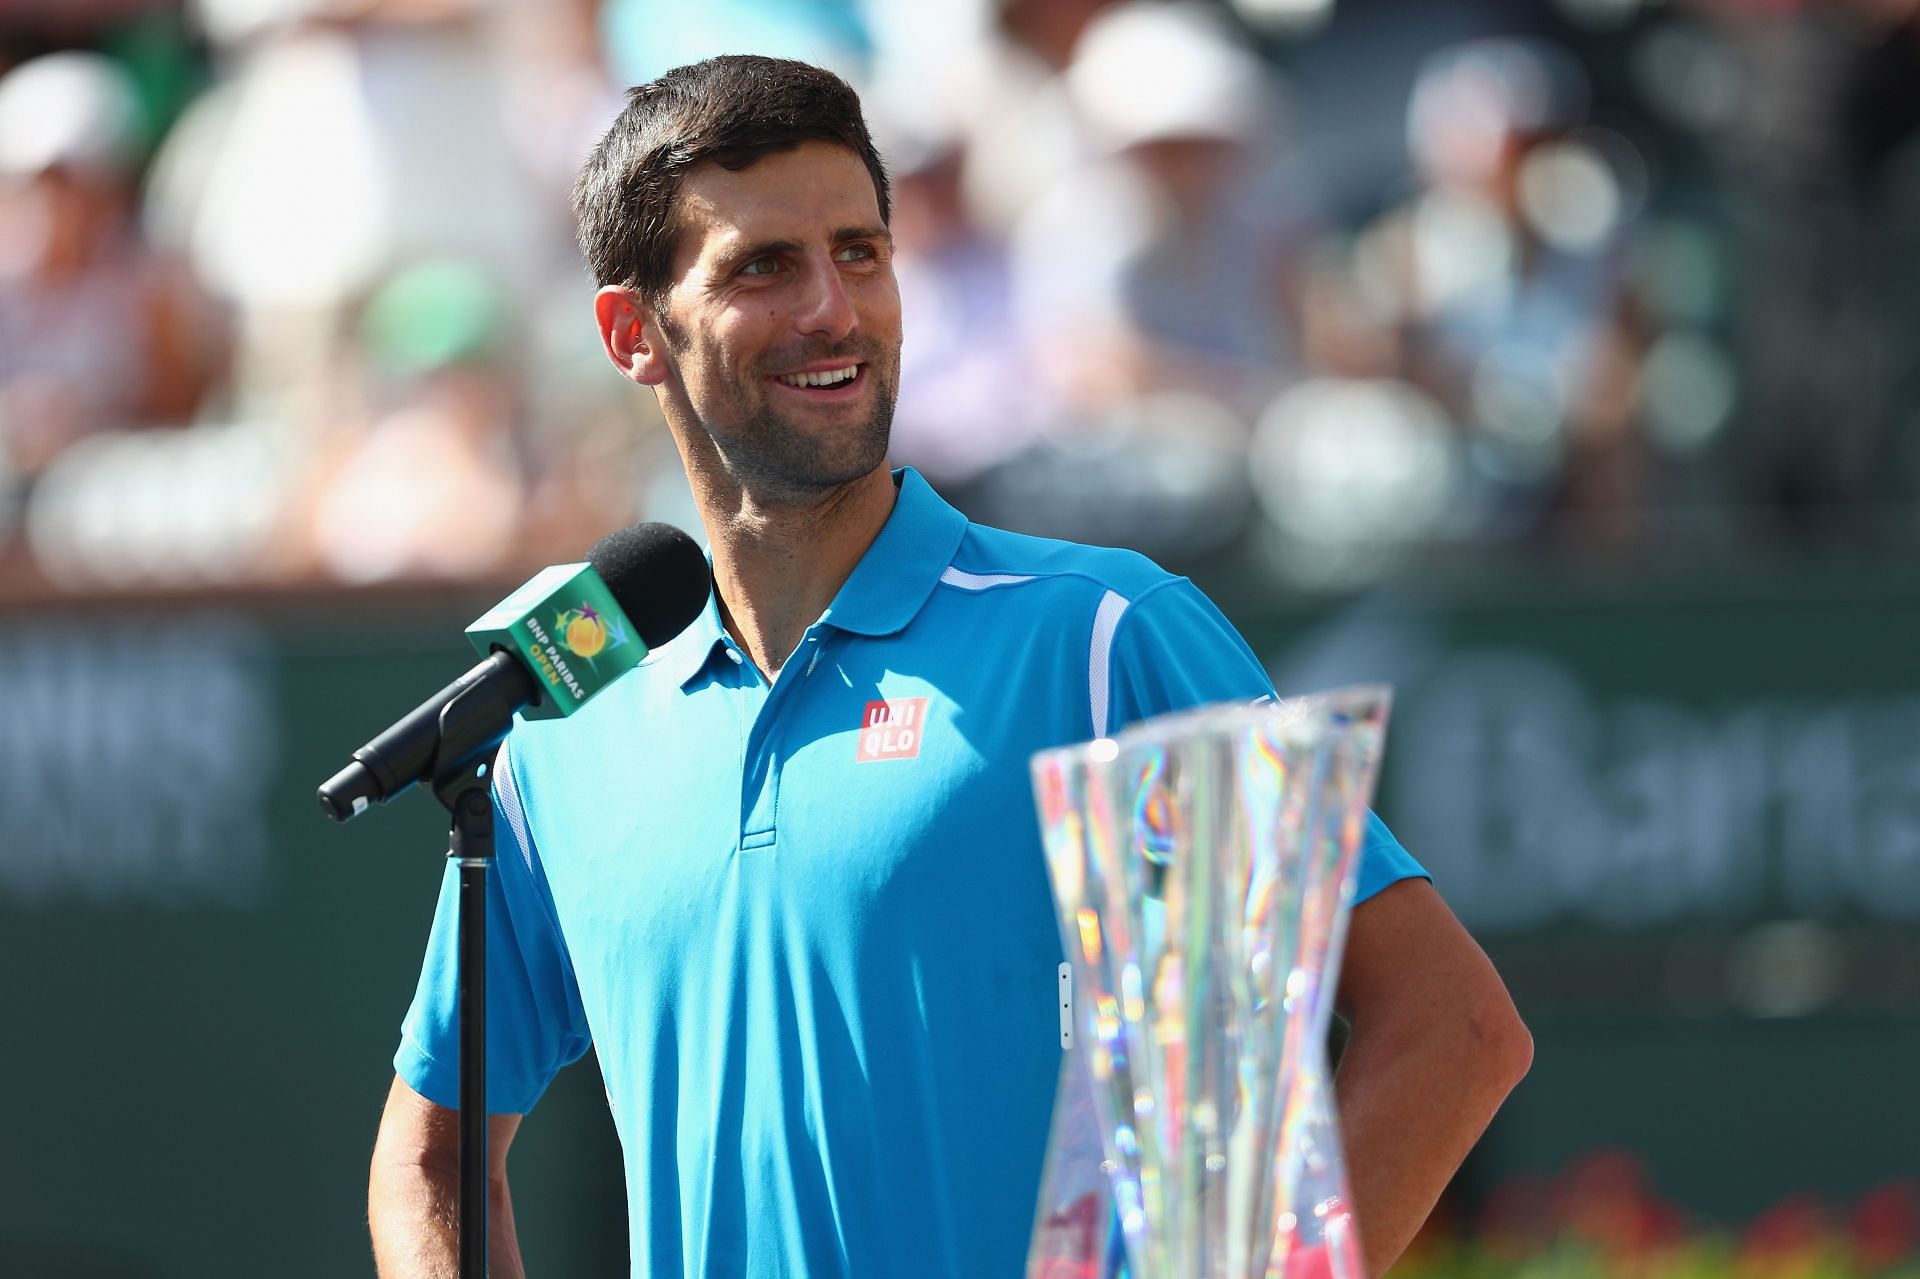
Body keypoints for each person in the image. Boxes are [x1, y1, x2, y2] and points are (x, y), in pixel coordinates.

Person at [368, 55, 1532, 1279]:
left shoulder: (1104, 637)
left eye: (861, 252)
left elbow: (1448, 1030)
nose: (834, 307)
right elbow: (426, 1155)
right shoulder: (566, 731)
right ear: (631, 332)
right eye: (765, 266)